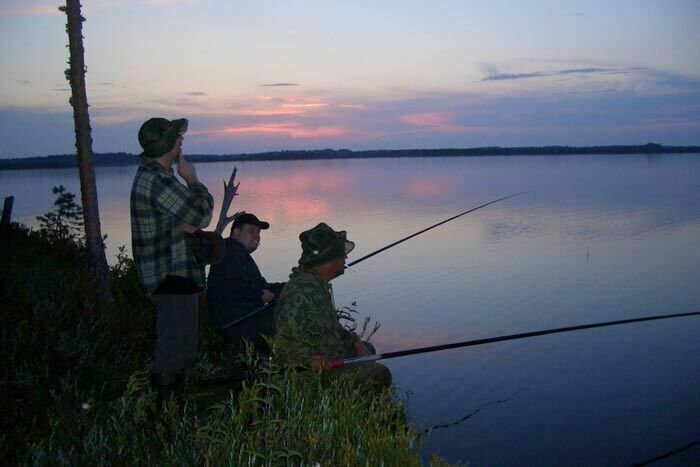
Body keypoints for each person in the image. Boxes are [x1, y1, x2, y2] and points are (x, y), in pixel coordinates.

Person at [130, 117, 214, 401]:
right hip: (170, 276)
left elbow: (185, 218)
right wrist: (193, 180)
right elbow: (201, 213)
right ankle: (165, 419)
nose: (182, 141)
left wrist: (184, 225)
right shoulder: (159, 180)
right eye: (178, 138)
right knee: (174, 349)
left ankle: (171, 411)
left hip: (170, 275)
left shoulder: (154, 177)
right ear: (168, 144)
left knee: (181, 346)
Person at [273, 222, 391, 386]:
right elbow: (286, 336)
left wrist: (355, 342)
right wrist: (311, 360)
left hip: (329, 353)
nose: (346, 258)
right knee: (380, 374)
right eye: (342, 254)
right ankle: (353, 407)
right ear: (329, 258)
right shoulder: (304, 291)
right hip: (310, 371)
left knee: (367, 348)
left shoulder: (317, 284)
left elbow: (332, 326)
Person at [207, 213, 285, 353]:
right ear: (236, 232)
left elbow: (262, 286)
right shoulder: (231, 250)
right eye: (251, 231)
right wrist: (259, 294)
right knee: (291, 318)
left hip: (242, 323)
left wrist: (290, 286)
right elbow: (233, 285)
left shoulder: (238, 253)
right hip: (237, 326)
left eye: (258, 232)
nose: (257, 236)